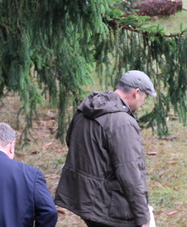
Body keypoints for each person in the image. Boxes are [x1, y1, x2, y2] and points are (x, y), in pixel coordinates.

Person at [55, 71, 157, 227]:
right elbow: (129, 172)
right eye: (145, 97)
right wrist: (143, 217)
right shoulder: (122, 122)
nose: (144, 102)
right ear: (137, 93)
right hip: (107, 207)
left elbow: (71, 141)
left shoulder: (86, 108)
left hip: (83, 197)